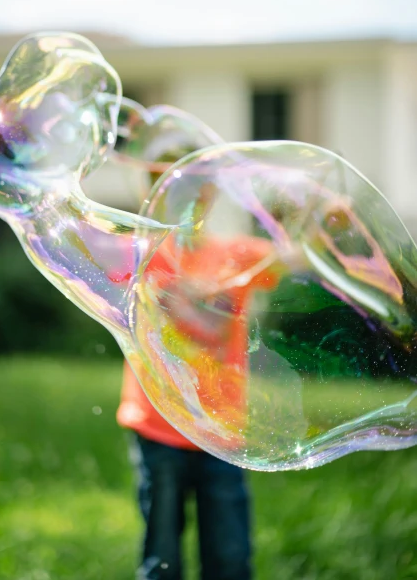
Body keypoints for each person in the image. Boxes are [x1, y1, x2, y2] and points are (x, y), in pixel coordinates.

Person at [117, 177, 278, 579]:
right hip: (158, 426)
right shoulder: (144, 254)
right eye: (174, 187)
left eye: (201, 188)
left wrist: (320, 220)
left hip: (221, 430)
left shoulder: (235, 253)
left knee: (229, 557)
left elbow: (293, 259)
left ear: (213, 195)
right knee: (163, 558)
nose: (193, 199)